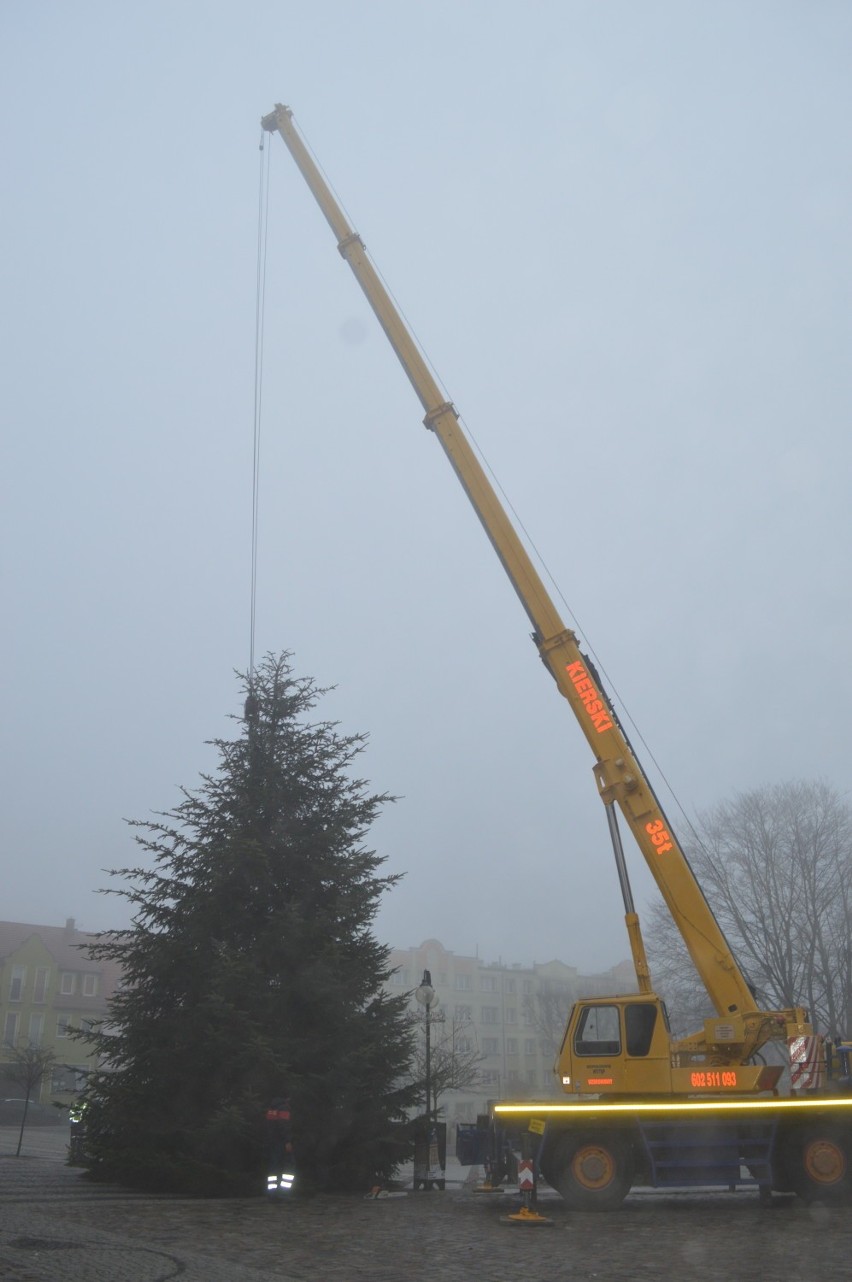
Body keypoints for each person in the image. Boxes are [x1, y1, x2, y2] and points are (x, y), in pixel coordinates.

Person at [265, 1096, 295, 1197]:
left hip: (272, 1141)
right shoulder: (283, 1108)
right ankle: (284, 1193)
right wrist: (288, 1141)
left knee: (273, 1167)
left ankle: (272, 1194)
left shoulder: (271, 1108)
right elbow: (284, 1125)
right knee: (288, 1167)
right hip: (282, 1142)